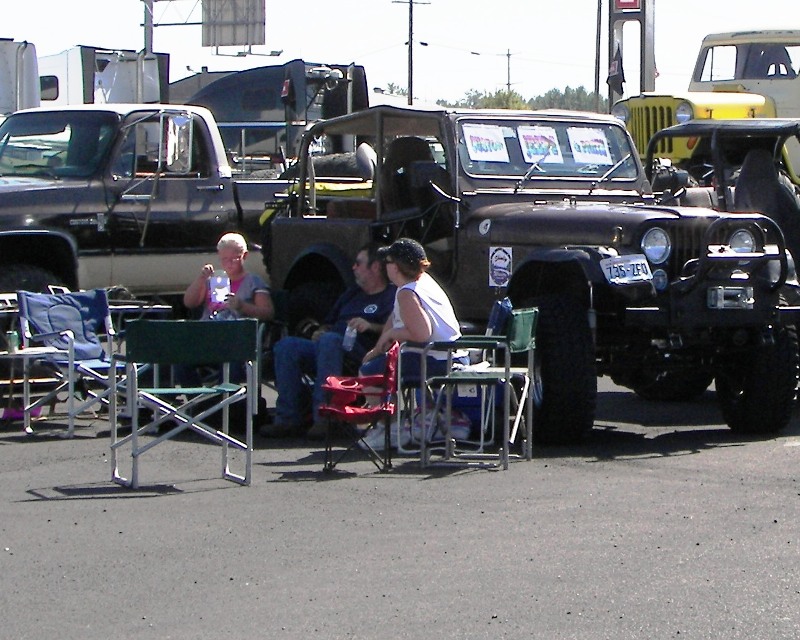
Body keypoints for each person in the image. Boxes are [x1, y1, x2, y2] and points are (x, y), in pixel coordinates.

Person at [262, 243, 396, 440]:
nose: (353, 268)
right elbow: (329, 323)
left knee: (330, 341)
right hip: (330, 345)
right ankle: (288, 418)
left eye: (358, 264)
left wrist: (370, 326)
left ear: (375, 267)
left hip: (364, 351)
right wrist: (320, 331)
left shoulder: (390, 295)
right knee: (287, 345)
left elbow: (393, 329)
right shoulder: (352, 294)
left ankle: (325, 416)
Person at [359, 237, 467, 449]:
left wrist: (392, 334)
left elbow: (421, 333)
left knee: (369, 372)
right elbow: (397, 316)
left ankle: (387, 429)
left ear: (397, 267)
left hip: (436, 360)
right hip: (450, 354)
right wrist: (382, 341)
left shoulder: (408, 293)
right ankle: (399, 424)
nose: (384, 266)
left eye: (388, 261)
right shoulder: (421, 282)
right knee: (378, 362)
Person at [180, 232, 273, 386]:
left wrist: (242, 306)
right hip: (208, 338)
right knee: (181, 360)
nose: (229, 263)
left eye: (234, 259)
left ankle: (227, 405)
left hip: (235, 342)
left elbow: (268, 312)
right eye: (224, 259)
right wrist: (201, 279)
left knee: (232, 366)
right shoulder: (215, 280)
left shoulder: (253, 282)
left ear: (245, 256)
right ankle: (197, 404)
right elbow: (189, 302)